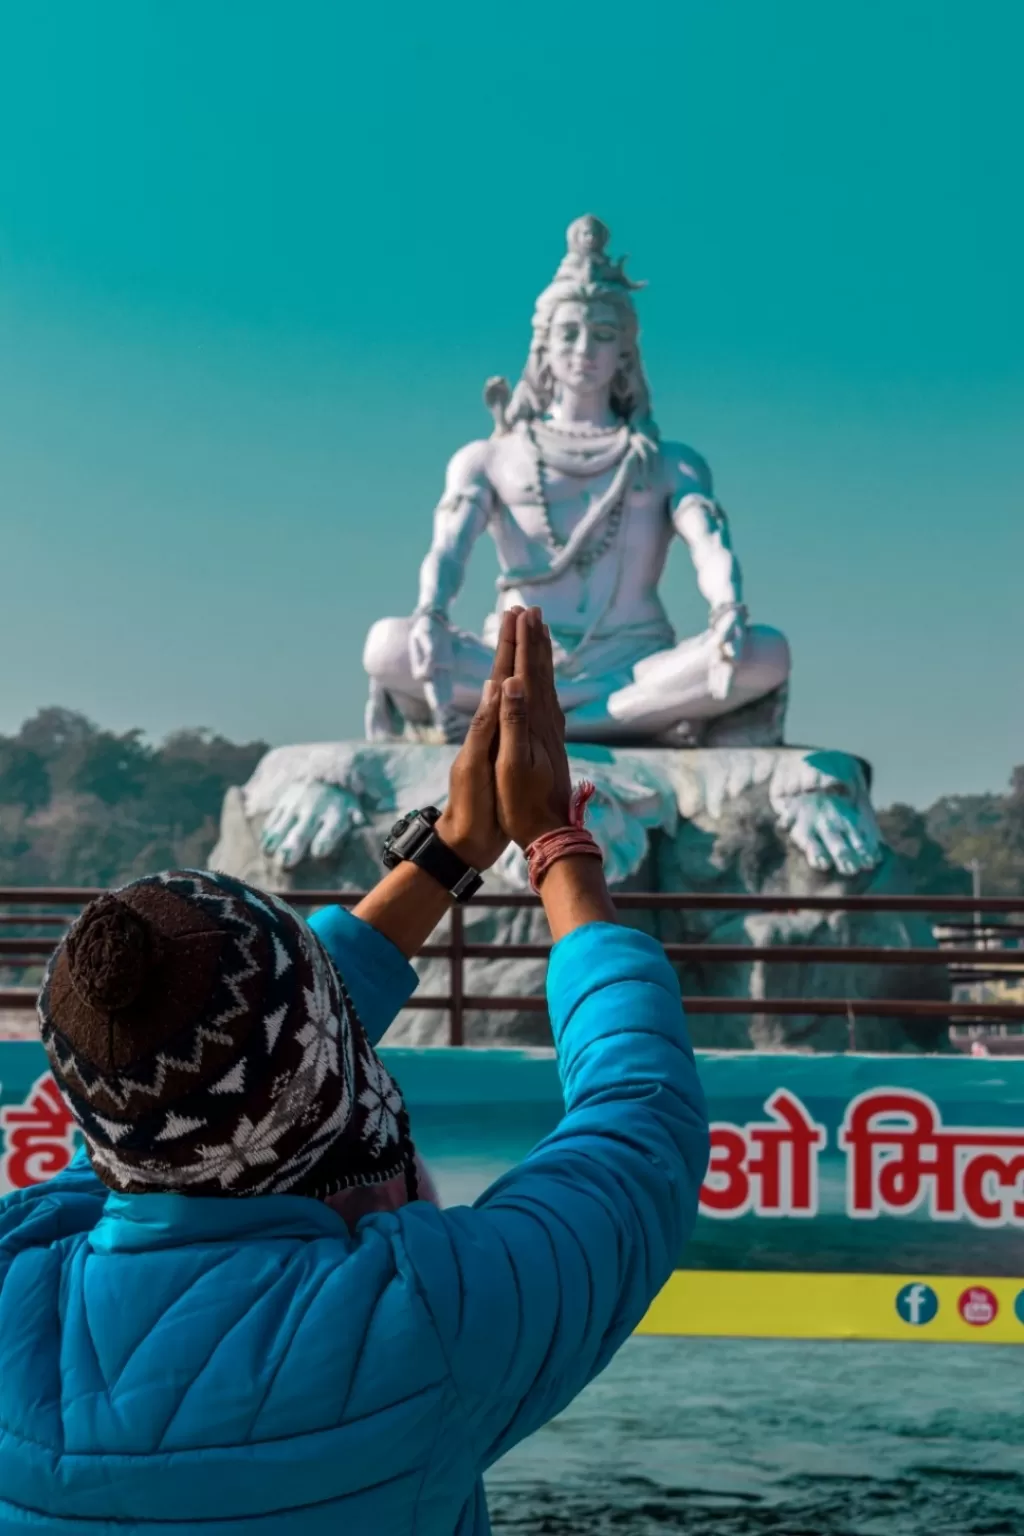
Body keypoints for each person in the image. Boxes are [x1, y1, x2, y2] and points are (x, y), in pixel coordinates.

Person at [0, 608, 709, 1534]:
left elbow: (217, 1094)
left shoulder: (24, 1265)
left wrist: (451, 851)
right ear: (324, 1063)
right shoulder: (422, 1325)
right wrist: (553, 844)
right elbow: (637, 1129)